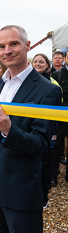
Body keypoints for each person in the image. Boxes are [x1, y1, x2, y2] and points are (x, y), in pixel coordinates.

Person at [0, 25, 62, 233]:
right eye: (1, 46)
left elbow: (41, 145)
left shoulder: (48, 91)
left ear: (28, 46)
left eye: (14, 44)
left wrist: (9, 130)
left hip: (21, 189)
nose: (7, 51)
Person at [32, 53, 61, 204]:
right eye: (35, 61)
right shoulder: (28, 82)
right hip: (30, 126)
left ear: (47, 65)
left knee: (45, 161)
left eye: (41, 62)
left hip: (49, 128)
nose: (37, 64)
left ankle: (45, 192)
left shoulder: (54, 84)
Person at [51, 50, 68, 184]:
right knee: (57, 147)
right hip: (61, 117)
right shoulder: (57, 75)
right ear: (65, 59)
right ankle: (53, 175)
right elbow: (54, 96)